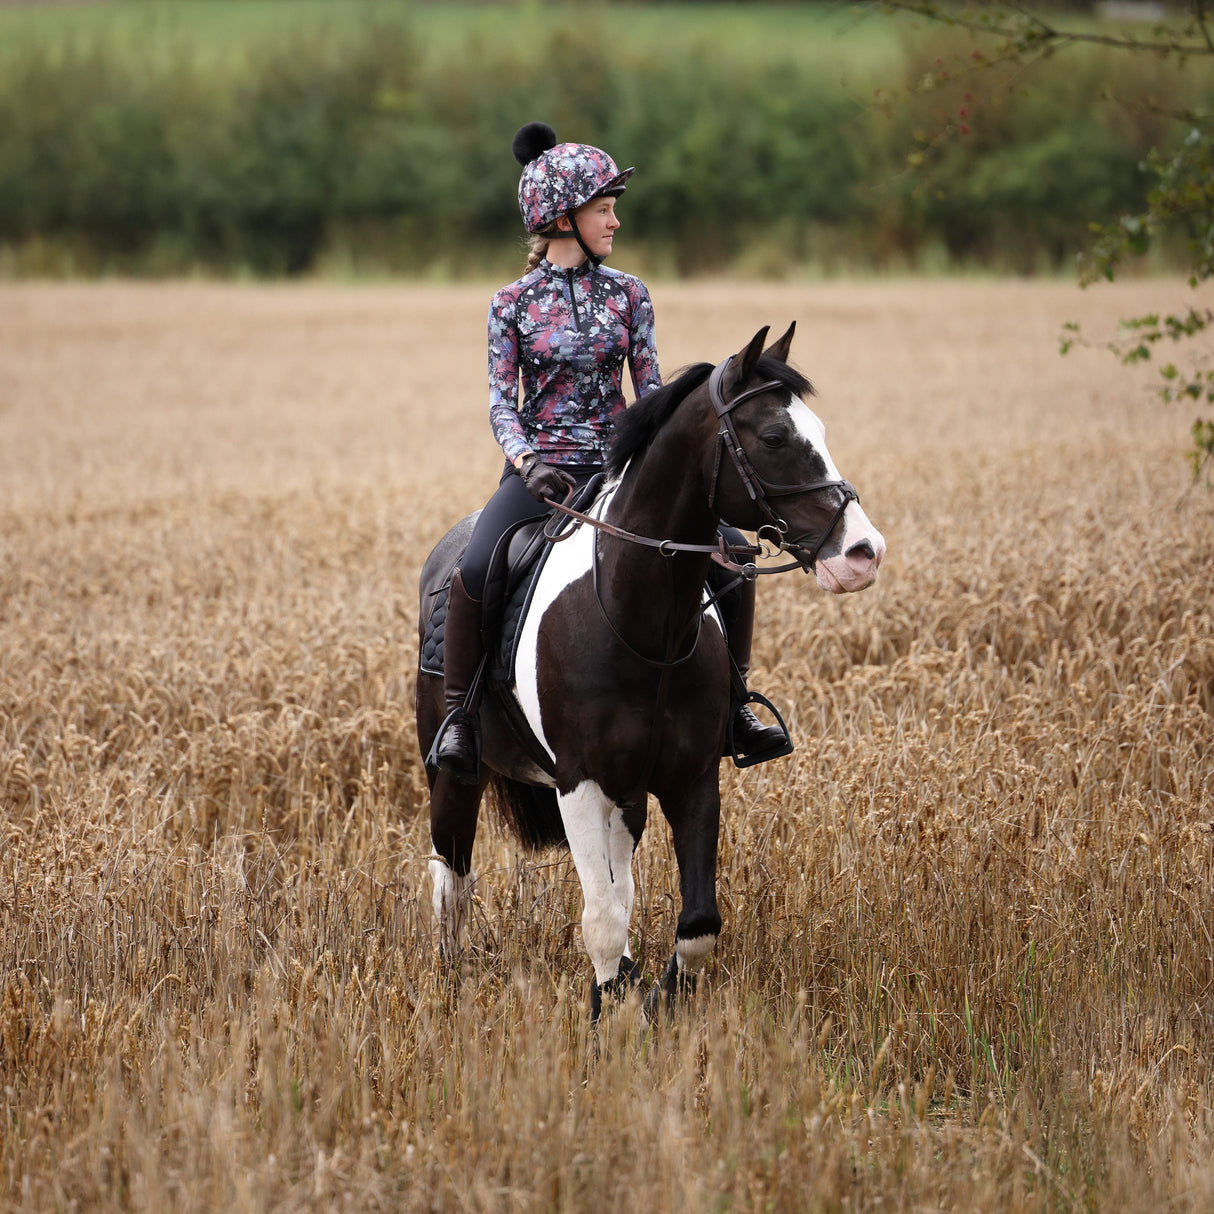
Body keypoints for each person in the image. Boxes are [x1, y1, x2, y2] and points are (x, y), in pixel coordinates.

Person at [431, 121, 791, 783]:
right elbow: (501, 403)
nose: (615, 221)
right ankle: (460, 716)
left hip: (621, 470)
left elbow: (651, 394)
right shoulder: (510, 304)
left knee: (735, 555)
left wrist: (663, 462)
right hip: (540, 474)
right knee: (476, 568)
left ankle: (736, 705)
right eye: (603, 208)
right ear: (561, 218)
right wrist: (526, 462)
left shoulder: (630, 295)